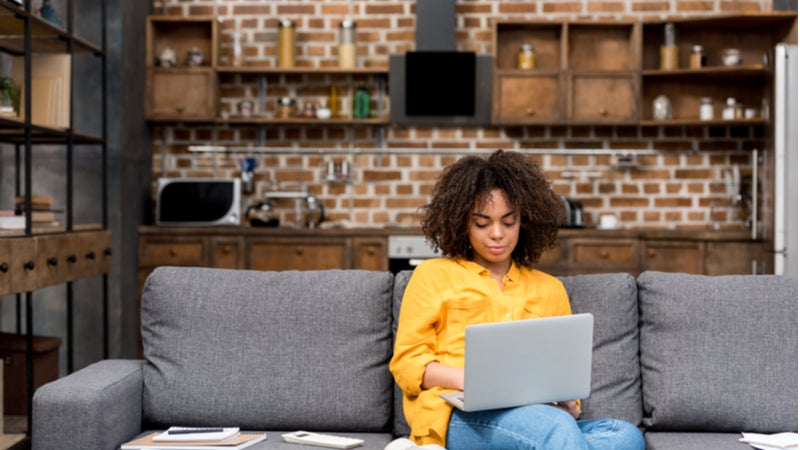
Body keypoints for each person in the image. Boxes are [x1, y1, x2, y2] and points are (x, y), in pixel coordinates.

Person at [389, 150, 644, 450]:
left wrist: (568, 403)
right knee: (555, 428)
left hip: (536, 415)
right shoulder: (433, 275)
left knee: (624, 435)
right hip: (457, 413)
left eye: (508, 222)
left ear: (525, 222)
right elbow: (407, 364)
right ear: (462, 223)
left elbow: (562, 372)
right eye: (482, 224)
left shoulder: (549, 289)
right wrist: (475, 381)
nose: (497, 234)